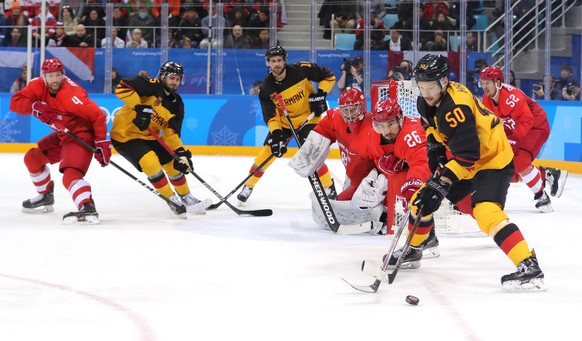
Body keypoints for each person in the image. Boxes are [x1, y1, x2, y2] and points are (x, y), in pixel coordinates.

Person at [394, 54, 545, 291]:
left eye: (430, 86)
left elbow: (467, 155)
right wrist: (434, 146)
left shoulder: (455, 108)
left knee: (485, 211)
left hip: (493, 159)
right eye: (421, 86)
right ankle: (414, 249)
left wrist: (443, 182)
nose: (426, 92)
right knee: (421, 200)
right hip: (471, 157)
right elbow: (432, 127)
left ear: (444, 82)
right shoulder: (427, 101)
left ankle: (529, 266)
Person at [9, 58, 110, 224]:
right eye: (50, 76)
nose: (54, 79)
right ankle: (45, 196)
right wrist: (34, 106)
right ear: (44, 76)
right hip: (64, 136)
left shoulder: (72, 95)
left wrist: (101, 143)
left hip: (81, 135)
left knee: (70, 175)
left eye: (57, 75)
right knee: (32, 159)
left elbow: (98, 115)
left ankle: (87, 208)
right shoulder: (36, 85)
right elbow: (15, 103)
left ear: (63, 75)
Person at [236, 45, 337, 203]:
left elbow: (329, 75)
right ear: (268, 63)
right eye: (273, 61)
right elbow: (270, 116)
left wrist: (321, 94)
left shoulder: (301, 69)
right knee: (266, 154)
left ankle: (329, 187)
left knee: (312, 155)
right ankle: (248, 186)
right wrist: (276, 134)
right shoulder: (266, 87)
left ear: (285, 61)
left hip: (308, 118)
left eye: (279, 60)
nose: (276, 64)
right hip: (284, 124)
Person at [110, 61, 210, 217]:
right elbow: (122, 87)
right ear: (163, 77)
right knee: (150, 162)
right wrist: (138, 107)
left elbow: (172, 133)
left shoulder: (177, 104)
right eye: (171, 78)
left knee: (173, 163)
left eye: (178, 79)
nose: (174, 82)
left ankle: (186, 197)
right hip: (125, 135)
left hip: (149, 136)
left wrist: (181, 154)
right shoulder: (151, 85)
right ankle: (171, 199)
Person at [288, 88, 380, 234]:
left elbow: (382, 160)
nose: (350, 114)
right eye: (346, 109)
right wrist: (310, 152)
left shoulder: (371, 128)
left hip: (373, 180)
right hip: (354, 177)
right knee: (341, 203)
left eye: (354, 109)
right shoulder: (335, 117)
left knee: (360, 202)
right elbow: (323, 130)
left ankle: (385, 215)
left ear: (362, 107)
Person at [480, 66, 567, 211]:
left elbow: (527, 120)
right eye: (482, 83)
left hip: (535, 126)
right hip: (515, 128)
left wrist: (513, 141)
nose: (484, 87)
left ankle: (541, 196)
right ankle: (546, 174)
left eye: (487, 83)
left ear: (498, 82)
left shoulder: (511, 98)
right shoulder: (486, 99)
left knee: (519, 163)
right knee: (505, 169)